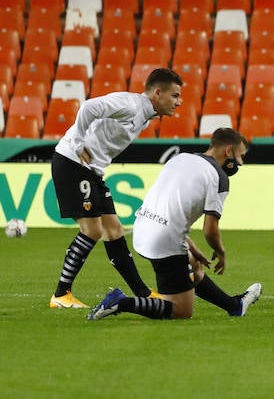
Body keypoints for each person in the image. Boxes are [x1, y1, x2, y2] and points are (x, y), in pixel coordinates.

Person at [87, 128, 262, 321]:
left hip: (143, 227)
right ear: (228, 151)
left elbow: (169, 207)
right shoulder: (218, 177)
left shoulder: (181, 158)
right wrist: (220, 252)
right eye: (240, 156)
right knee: (181, 311)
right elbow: (210, 230)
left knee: (194, 264)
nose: (240, 163)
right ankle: (121, 301)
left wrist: (190, 246)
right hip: (164, 241)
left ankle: (234, 306)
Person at [49, 68, 184, 309]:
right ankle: (61, 294)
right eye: (174, 96)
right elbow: (89, 106)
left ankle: (142, 292)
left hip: (92, 171)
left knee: (114, 230)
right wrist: (78, 141)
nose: (179, 102)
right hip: (72, 162)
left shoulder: (144, 114)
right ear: (157, 92)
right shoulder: (130, 104)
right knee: (92, 230)